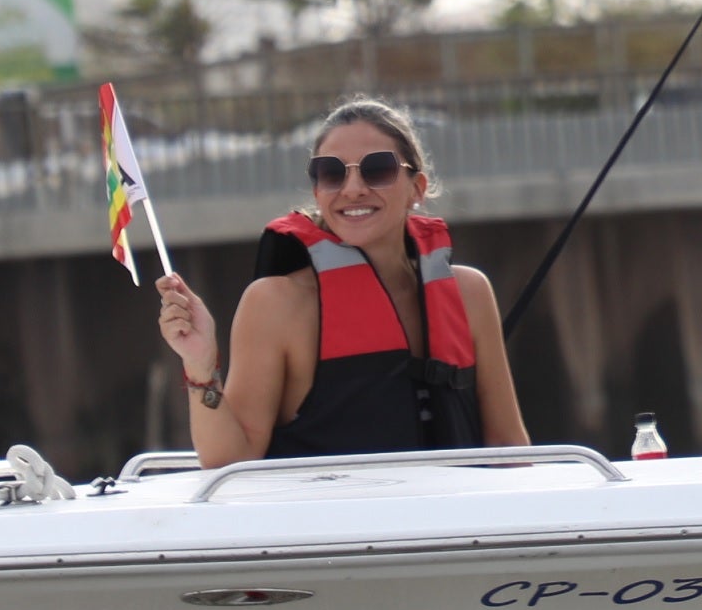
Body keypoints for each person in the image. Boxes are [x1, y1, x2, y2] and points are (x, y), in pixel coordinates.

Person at [150, 97, 531, 465]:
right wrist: (201, 366)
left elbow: (509, 448)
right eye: (332, 173)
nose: (352, 189)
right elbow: (228, 459)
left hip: (454, 528)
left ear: (417, 188)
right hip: (330, 528)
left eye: (376, 169)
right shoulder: (276, 303)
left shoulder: (470, 293)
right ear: (318, 189)